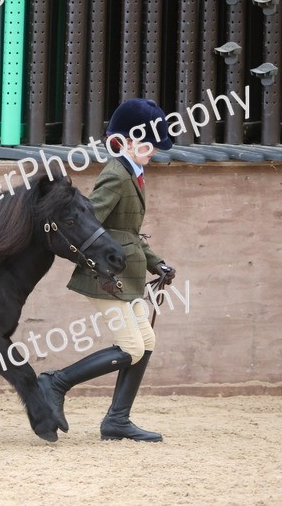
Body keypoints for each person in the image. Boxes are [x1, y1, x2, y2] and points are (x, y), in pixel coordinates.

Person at [38, 98, 176, 442]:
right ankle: (55, 382)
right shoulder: (116, 175)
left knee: (146, 341)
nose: (153, 151)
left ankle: (117, 421)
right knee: (130, 347)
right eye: (147, 145)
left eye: (155, 146)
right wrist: (98, 268)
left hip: (127, 274)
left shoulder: (133, 174)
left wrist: (155, 261)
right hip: (106, 276)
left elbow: (124, 233)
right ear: (124, 141)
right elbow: (88, 224)